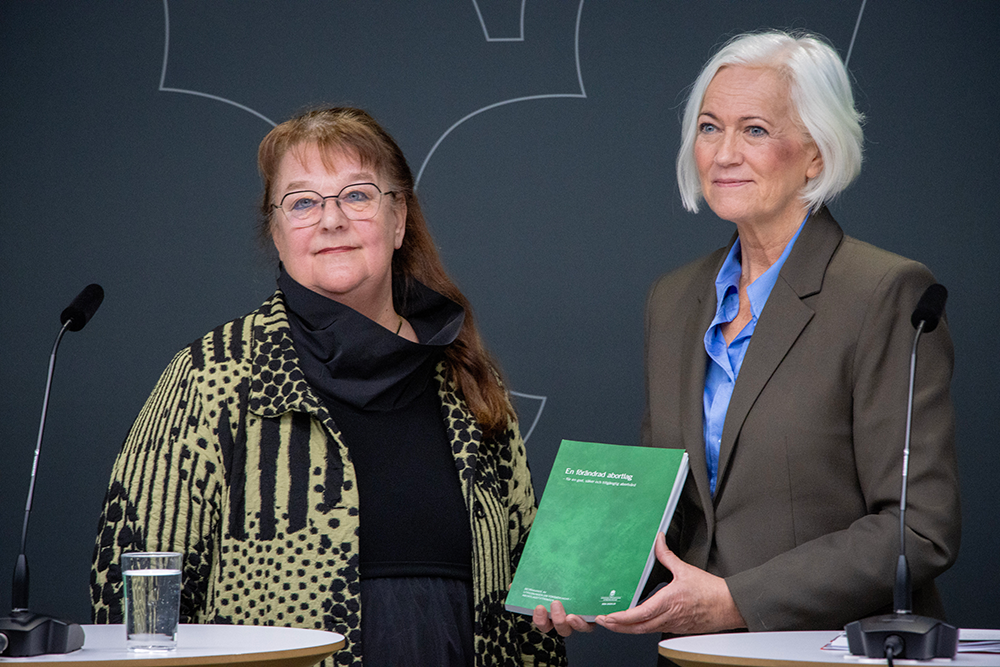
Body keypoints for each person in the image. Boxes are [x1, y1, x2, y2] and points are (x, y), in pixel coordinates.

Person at [91, 107, 566, 667]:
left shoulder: (469, 382)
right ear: (276, 231)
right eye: (303, 202)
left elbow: (531, 604)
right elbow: (134, 604)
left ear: (399, 219)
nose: (331, 220)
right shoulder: (210, 376)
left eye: (357, 196)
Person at [535, 30, 960, 639]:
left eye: (754, 130)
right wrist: (584, 577)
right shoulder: (675, 298)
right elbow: (672, 511)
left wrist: (737, 600)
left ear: (816, 152)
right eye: (710, 128)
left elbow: (917, 530)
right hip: (699, 655)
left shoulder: (886, 293)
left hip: (830, 651)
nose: (724, 153)